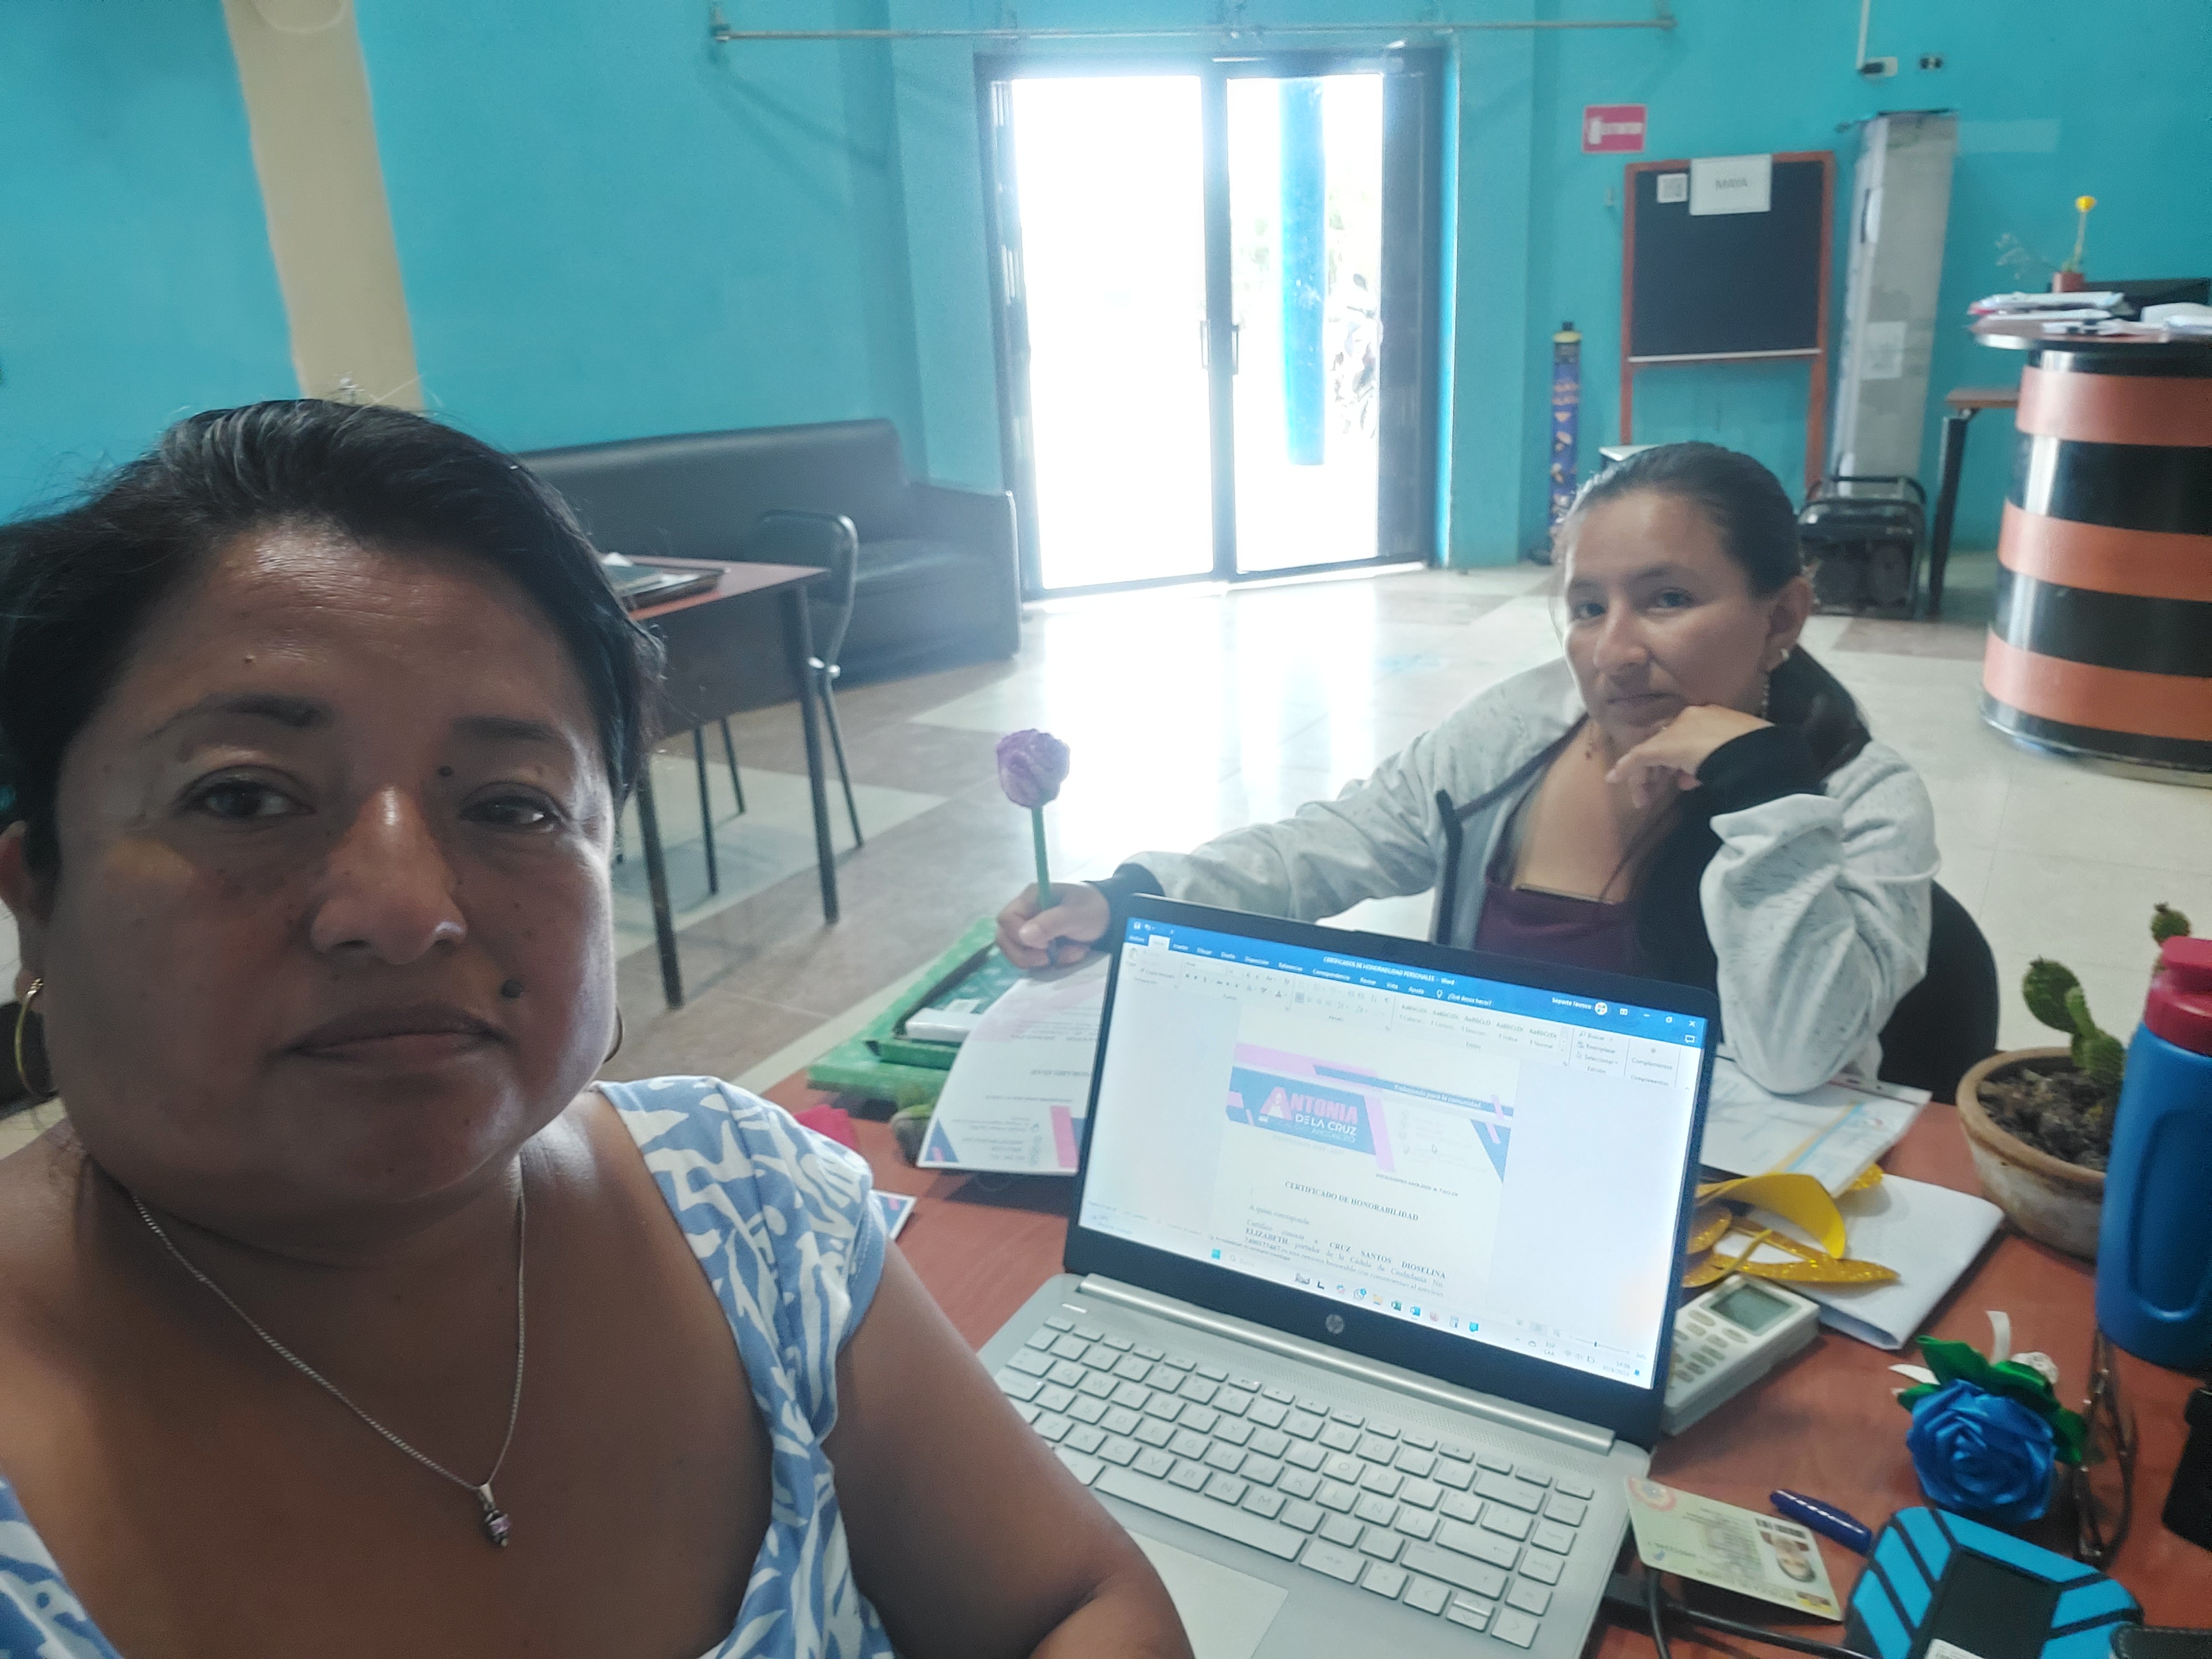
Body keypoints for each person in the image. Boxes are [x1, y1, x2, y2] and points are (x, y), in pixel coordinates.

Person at [0, 401, 1189, 1659]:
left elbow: (1079, 1604)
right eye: (243, 796)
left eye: (513, 805)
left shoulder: (753, 1213)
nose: (404, 909)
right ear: (37, 896)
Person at [999, 442, 1937, 1094]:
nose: (1614, 653)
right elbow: (1331, 846)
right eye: (1587, 608)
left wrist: (1765, 795)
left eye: (1668, 599)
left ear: (1782, 616)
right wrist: (1131, 898)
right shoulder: (1518, 730)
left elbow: (1796, 1058)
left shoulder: (1862, 799)